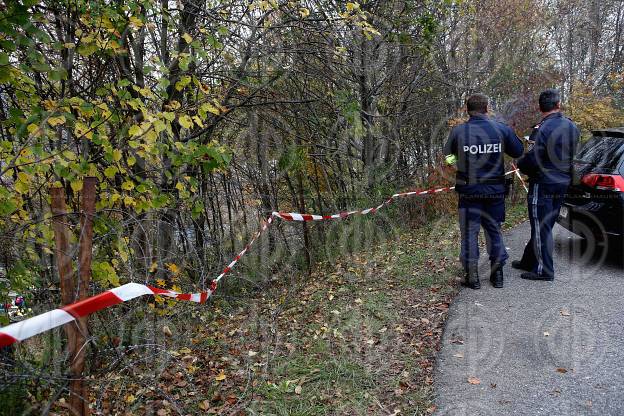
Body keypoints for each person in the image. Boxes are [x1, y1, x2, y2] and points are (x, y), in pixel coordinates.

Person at [444, 94, 524, 289]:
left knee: (469, 233)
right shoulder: (500, 129)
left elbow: (447, 156)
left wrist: (459, 165)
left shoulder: (458, 131)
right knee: (494, 231)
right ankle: (498, 276)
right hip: (494, 191)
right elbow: (518, 152)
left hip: (469, 191)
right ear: (487, 108)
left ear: (467, 110)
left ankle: (472, 277)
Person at [514, 89, 580, 281]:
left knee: (541, 225)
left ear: (540, 107)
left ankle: (545, 270)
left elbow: (533, 159)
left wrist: (520, 164)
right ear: (558, 105)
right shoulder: (571, 126)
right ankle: (528, 260)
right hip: (562, 182)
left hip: (543, 183)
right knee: (544, 225)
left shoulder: (541, 128)